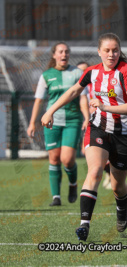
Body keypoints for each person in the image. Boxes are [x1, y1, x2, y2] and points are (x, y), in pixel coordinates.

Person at [41, 33, 127, 241]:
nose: (111, 54)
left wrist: (105, 105)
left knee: (117, 186)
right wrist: (50, 110)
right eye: (107, 50)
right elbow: (72, 92)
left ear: (120, 51)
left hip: (125, 135)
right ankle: (84, 225)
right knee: (94, 171)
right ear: (99, 52)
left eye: (115, 50)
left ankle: (121, 205)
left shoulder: (126, 72)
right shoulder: (91, 72)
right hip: (99, 129)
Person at [27, 42, 90, 207]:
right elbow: (39, 101)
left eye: (67, 52)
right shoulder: (46, 75)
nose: (64, 54)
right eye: (61, 52)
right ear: (54, 55)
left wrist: (86, 117)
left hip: (72, 120)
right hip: (52, 121)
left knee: (67, 159)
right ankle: (56, 197)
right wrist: (32, 123)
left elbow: (83, 98)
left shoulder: (78, 73)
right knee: (54, 158)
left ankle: (73, 184)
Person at [77, 61, 112, 190]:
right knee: (85, 151)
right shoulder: (79, 86)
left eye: (85, 70)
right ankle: (108, 173)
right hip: (86, 120)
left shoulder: (98, 83)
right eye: (80, 71)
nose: (83, 73)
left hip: (101, 121)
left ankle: (110, 174)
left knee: (100, 151)